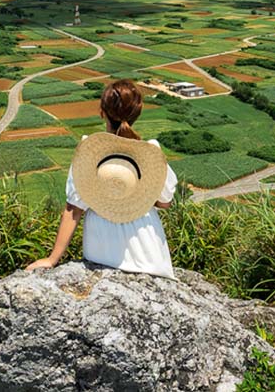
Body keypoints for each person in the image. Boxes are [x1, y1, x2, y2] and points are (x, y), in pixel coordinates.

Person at [26, 79, 177, 278]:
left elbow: (73, 210)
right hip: (147, 250)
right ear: (136, 114)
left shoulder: (90, 153)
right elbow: (165, 203)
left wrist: (53, 258)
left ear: (102, 112)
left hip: (102, 248)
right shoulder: (151, 154)